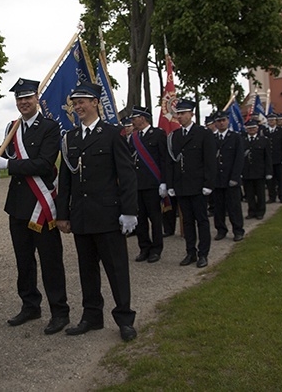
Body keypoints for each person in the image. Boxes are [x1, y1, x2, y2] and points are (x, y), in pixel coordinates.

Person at [0, 77, 70, 335]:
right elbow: (1, 155)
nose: (23, 102)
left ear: (37, 99)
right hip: (17, 206)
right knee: (23, 261)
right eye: (19, 99)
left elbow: (43, 164)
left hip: (41, 205)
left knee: (51, 261)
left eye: (27, 97)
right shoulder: (12, 128)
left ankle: (60, 311)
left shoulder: (51, 127)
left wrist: (9, 166)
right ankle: (30, 305)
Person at [56, 81, 138, 342]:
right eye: (75, 102)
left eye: (82, 101)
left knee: (117, 270)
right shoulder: (70, 138)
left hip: (108, 216)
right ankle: (92, 316)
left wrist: (129, 211)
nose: (77, 106)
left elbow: (126, 175)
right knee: (86, 270)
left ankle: (125, 319)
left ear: (95, 103)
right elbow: (65, 179)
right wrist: (63, 214)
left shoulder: (113, 133)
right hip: (80, 216)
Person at [166, 99, 217, 268]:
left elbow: (210, 161)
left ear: (191, 114)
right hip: (181, 186)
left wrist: (209, 183)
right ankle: (190, 252)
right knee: (186, 222)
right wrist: (171, 185)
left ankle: (203, 253)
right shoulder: (175, 136)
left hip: (198, 186)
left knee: (201, 220)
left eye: (183, 113)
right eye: (178, 114)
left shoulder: (203, 133)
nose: (179, 117)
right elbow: (172, 163)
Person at [128, 105, 167, 263]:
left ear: (142, 118)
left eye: (134, 118)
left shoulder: (158, 134)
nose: (132, 120)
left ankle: (156, 249)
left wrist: (164, 182)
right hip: (138, 185)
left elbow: (164, 159)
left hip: (152, 184)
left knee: (155, 218)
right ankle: (144, 247)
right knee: (140, 219)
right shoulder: (133, 137)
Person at [212, 111, 245, 242]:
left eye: (223, 120)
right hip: (217, 179)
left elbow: (239, 159)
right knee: (218, 207)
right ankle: (221, 230)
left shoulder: (235, 137)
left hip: (231, 177)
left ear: (228, 121)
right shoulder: (212, 138)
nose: (221, 123)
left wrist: (235, 178)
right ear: (215, 123)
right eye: (218, 121)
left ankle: (238, 230)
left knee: (234, 207)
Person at [242, 119, 273, 220]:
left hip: (259, 171)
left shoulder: (264, 140)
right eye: (249, 128)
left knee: (260, 193)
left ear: (257, 128)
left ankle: (260, 211)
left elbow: (268, 157)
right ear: (246, 129)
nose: (251, 130)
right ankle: (251, 211)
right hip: (247, 171)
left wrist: (269, 172)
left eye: (253, 128)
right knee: (249, 194)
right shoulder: (242, 140)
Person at [264, 114, 282, 203]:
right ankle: (272, 197)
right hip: (269, 160)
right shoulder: (264, 131)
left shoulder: (281, 131)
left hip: (279, 159)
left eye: (272, 120)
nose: (271, 122)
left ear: (276, 121)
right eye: (269, 120)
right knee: (270, 181)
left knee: (281, 179)